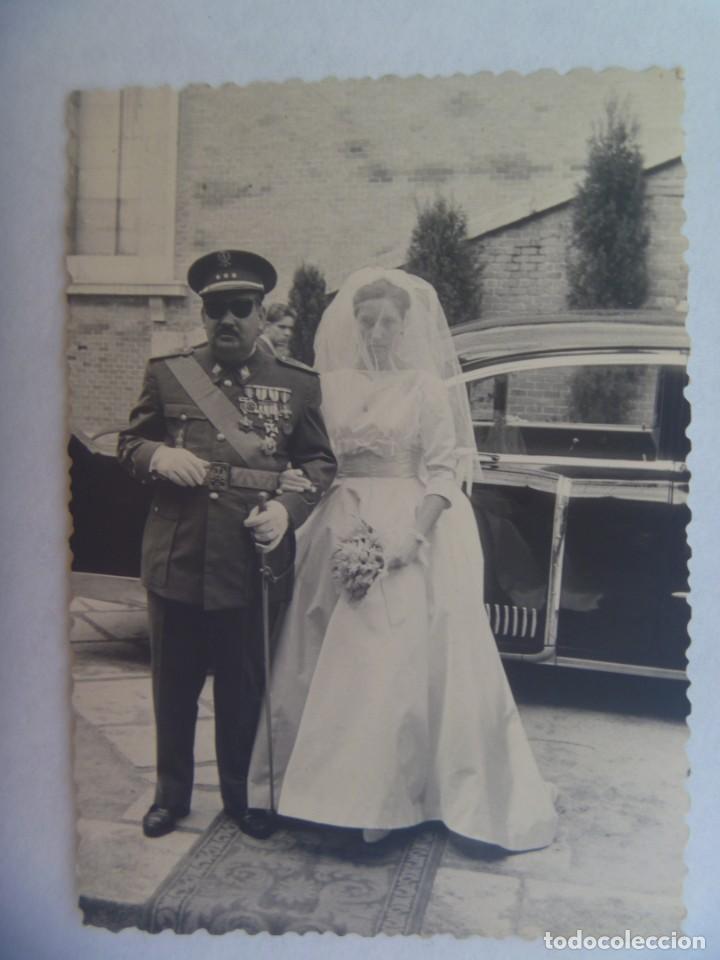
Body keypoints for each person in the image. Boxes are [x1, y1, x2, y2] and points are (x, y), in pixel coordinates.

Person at [248, 267, 558, 850]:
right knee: (320, 655)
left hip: (408, 528)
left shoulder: (425, 388)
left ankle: (386, 799)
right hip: (338, 519)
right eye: (367, 321)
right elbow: (314, 457)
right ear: (354, 324)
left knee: (387, 661)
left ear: (405, 326)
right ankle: (314, 792)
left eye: (388, 321)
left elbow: (442, 470)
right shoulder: (328, 385)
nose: (378, 331)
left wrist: (413, 536)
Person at [117, 250, 337, 840]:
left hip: (250, 562)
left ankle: (242, 797)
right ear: (203, 316)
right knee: (174, 688)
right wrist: (158, 455)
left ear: (262, 314)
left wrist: (287, 513)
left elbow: (318, 462)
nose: (227, 321)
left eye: (240, 309)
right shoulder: (169, 373)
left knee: (243, 689)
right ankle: (171, 795)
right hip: (177, 557)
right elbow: (129, 443)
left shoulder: (296, 384)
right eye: (215, 310)